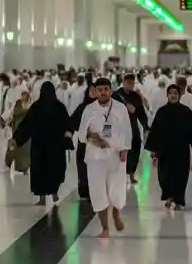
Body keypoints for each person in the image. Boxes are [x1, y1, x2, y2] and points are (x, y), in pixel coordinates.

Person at [80, 77, 133, 238]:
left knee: (115, 190)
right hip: (95, 157)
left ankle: (116, 214)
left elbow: (127, 130)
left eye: (106, 89)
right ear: (95, 92)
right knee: (98, 192)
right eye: (100, 89)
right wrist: (93, 136)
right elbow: (81, 134)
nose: (103, 92)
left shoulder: (120, 108)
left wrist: (125, 149)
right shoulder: (89, 109)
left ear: (110, 91)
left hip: (115, 154)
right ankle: (105, 227)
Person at [146, 83, 192, 210]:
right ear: (167, 95)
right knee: (164, 176)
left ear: (179, 95)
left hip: (181, 150)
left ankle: (178, 201)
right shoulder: (162, 112)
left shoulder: (186, 112)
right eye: (171, 93)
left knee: (180, 176)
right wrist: (154, 150)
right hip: (165, 150)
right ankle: (169, 196)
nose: (173, 95)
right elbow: (155, 131)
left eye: (175, 93)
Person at [13, 81, 72, 206]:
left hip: (39, 147)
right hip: (55, 147)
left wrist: (17, 138)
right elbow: (68, 123)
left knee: (40, 171)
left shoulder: (36, 107)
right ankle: (54, 192)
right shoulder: (59, 107)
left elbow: (26, 125)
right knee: (55, 169)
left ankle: (42, 199)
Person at [113, 74, 148, 186]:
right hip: (119, 128)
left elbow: (141, 113)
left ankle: (131, 173)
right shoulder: (116, 95)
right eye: (128, 83)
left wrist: (146, 126)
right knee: (121, 152)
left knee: (136, 148)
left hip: (132, 127)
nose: (130, 85)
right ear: (123, 83)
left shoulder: (136, 97)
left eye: (132, 83)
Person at [4, 87, 33, 174]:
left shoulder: (31, 104)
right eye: (23, 94)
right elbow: (10, 113)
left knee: (26, 149)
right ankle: (8, 163)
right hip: (17, 129)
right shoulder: (16, 104)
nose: (24, 96)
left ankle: (25, 168)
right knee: (13, 147)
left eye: (26, 94)